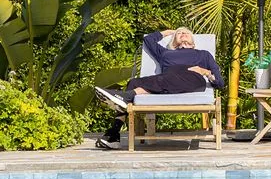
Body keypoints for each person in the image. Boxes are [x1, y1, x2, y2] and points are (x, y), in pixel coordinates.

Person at [95, 28, 224, 150]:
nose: (183, 33)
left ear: (193, 42)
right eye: (179, 33)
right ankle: (114, 134)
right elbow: (148, 40)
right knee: (133, 82)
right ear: (173, 42)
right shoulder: (165, 53)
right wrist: (168, 32)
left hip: (192, 80)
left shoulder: (203, 55)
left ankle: (124, 97)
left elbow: (219, 83)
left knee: (167, 77)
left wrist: (205, 72)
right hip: (166, 81)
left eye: (186, 32)